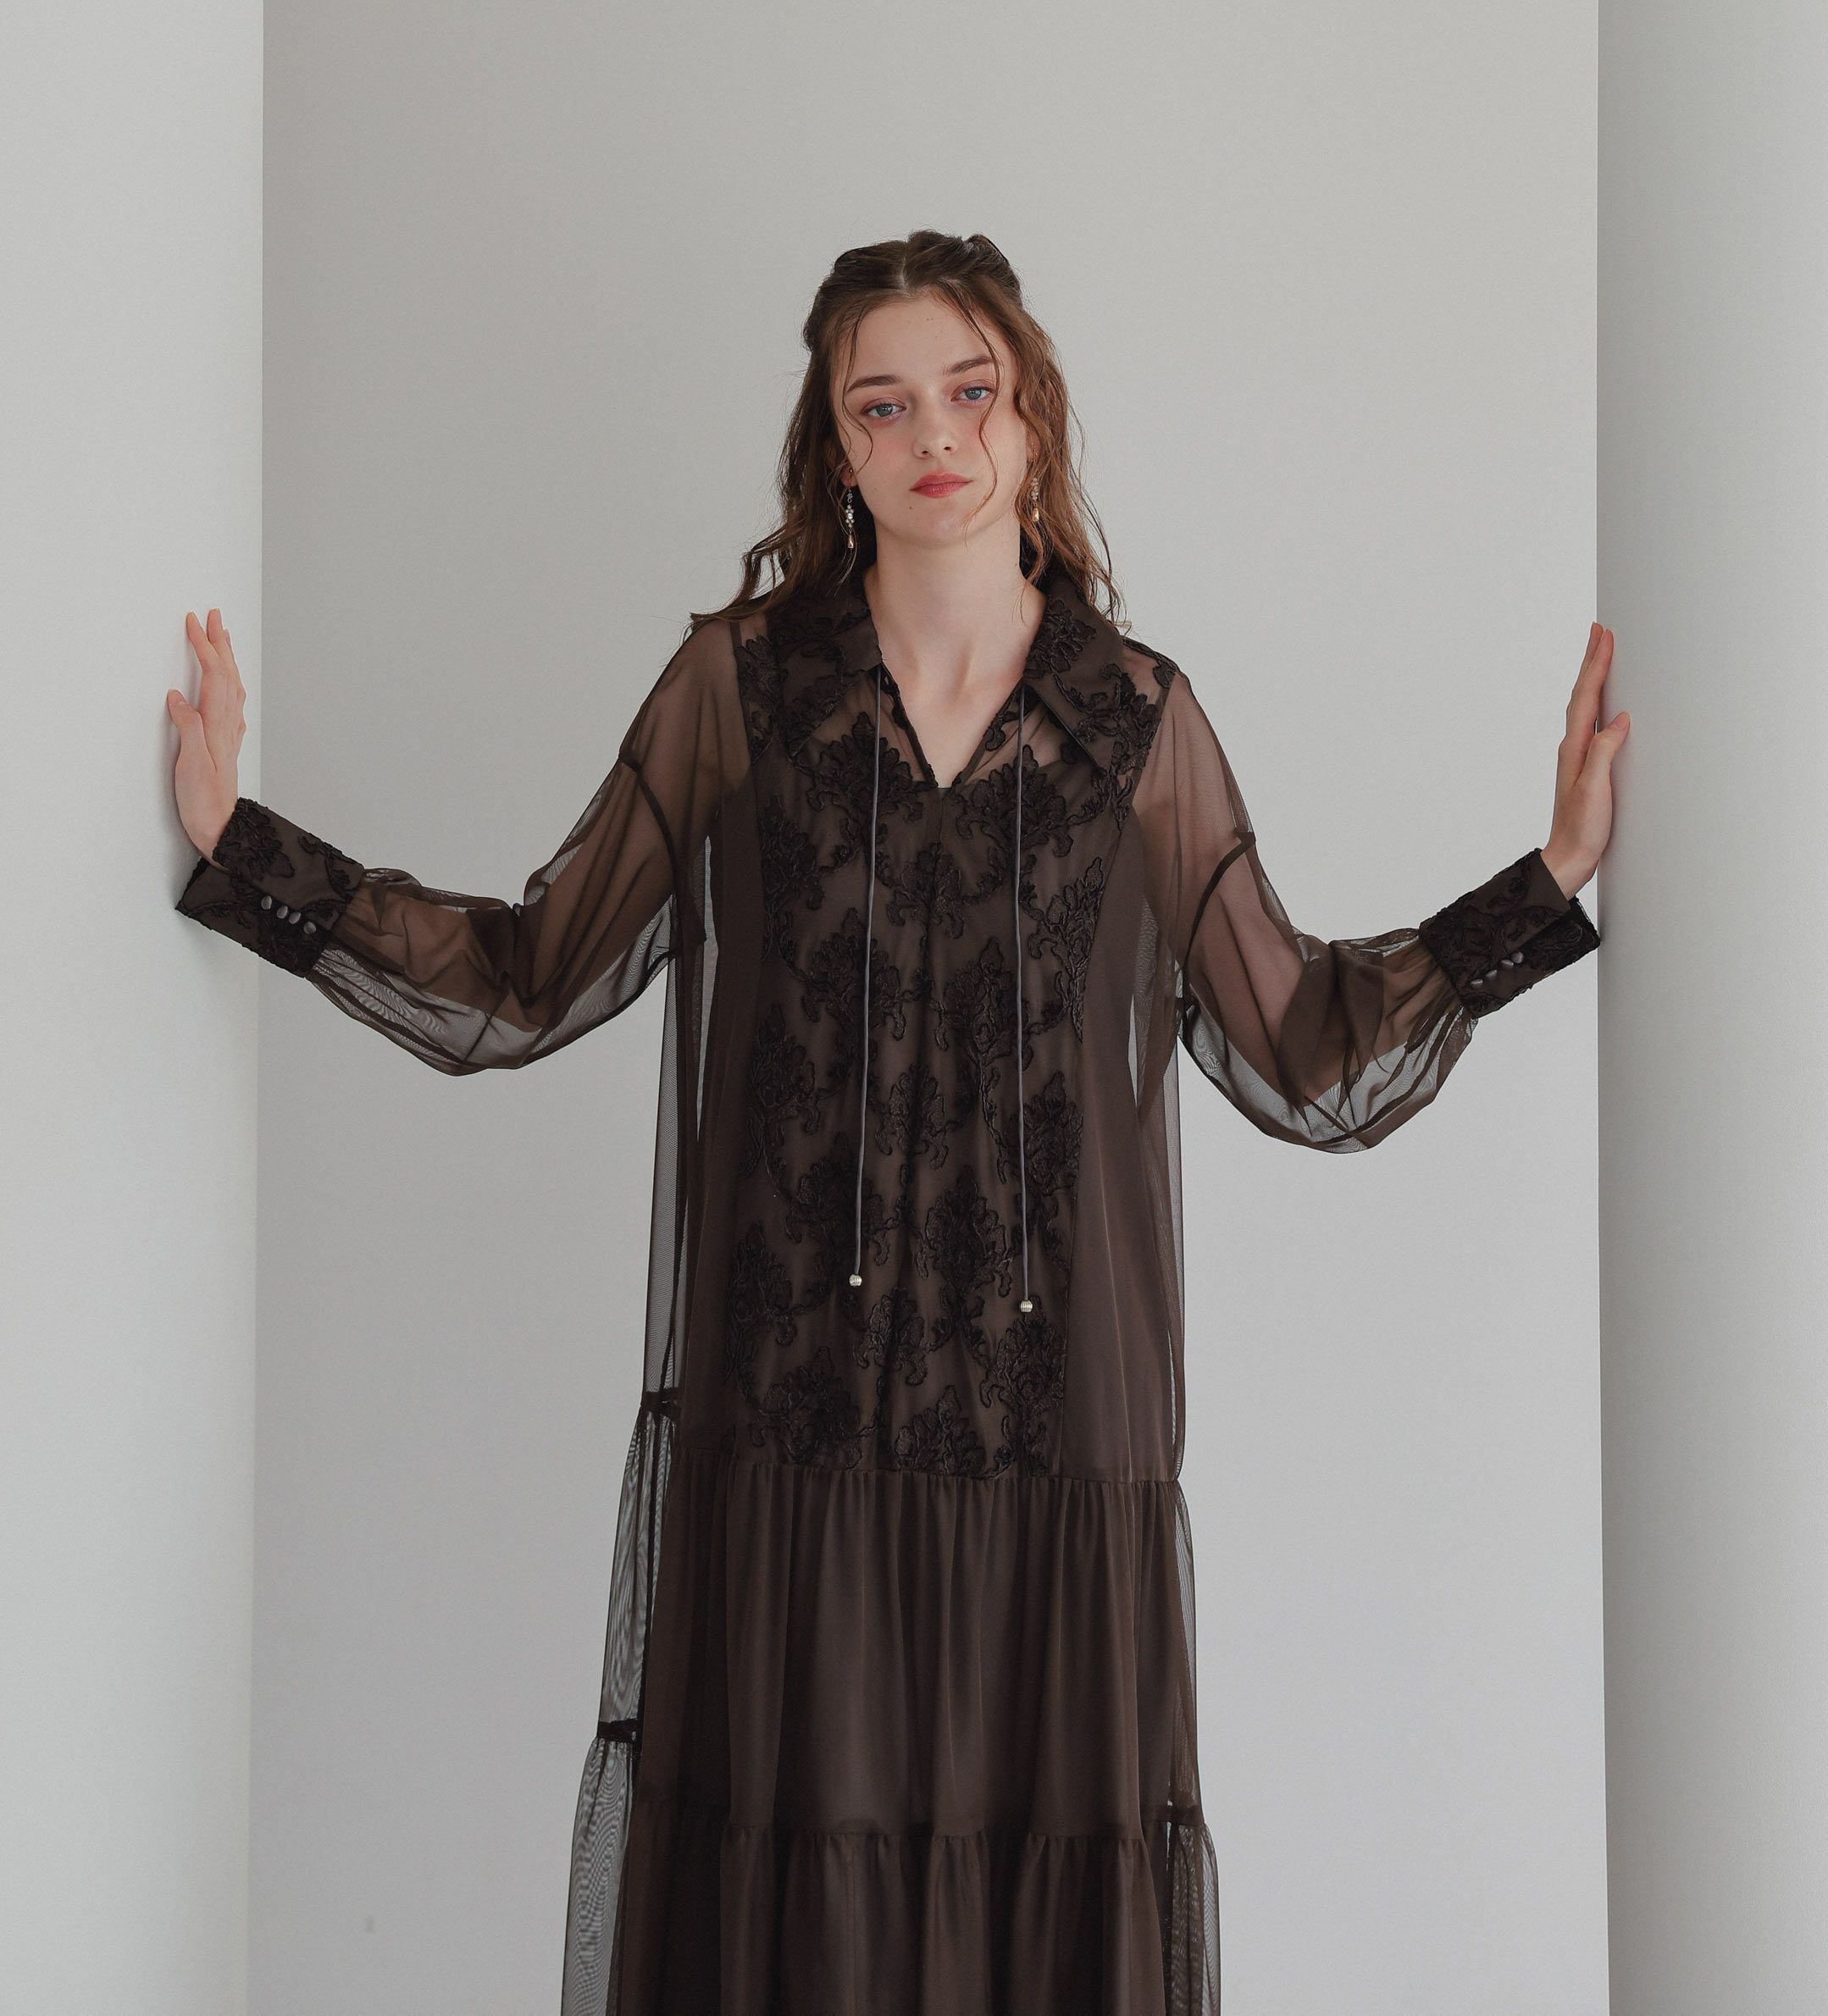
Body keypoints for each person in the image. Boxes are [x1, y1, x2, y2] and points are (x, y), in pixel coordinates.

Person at [167, 230, 1624, 2016]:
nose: (933, 433)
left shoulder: (1132, 719)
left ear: (1030, 417)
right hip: (790, 1426)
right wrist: (246, 849)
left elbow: (1304, 1044)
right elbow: (533, 973)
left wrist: (1546, 878)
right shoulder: (742, 687)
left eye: (968, 390)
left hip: (1050, 1440)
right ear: (835, 447)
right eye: (882, 404)